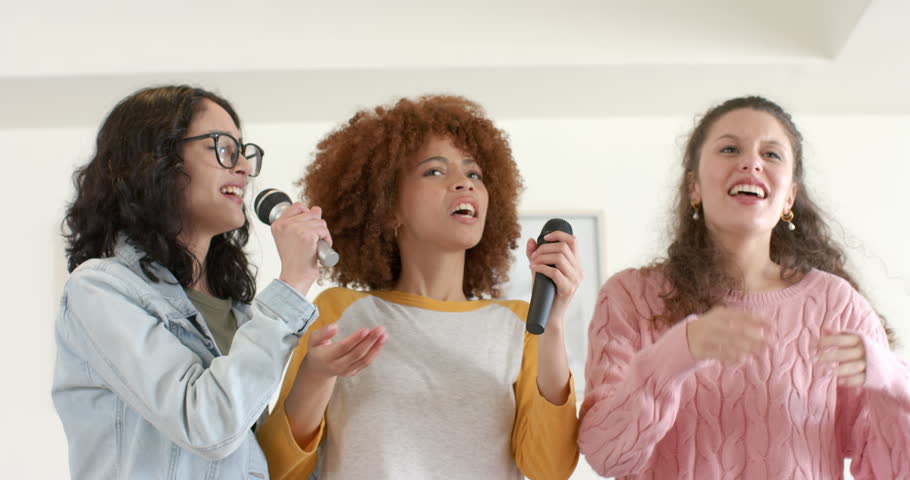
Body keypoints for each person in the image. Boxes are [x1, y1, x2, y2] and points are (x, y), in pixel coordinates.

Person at [578, 95, 910, 479]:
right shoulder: (631, 297)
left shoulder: (838, 305)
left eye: (771, 154)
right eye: (730, 148)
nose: (751, 162)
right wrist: (677, 353)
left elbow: (894, 471)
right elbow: (607, 457)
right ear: (694, 188)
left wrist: (892, 380)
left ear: (789, 196)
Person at [258, 94, 581, 480]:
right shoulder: (341, 310)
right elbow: (278, 470)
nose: (464, 183)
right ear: (388, 206)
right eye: (435, 171)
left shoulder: (520, 324)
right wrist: (315, 376)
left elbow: (551, 468)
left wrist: (555, 323)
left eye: (474, 174)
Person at [52, 85, 329, 479]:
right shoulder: (100, 289)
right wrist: (293, 283)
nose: (244, 168)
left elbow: (246, 458)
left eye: (243, 152)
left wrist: (316, 378)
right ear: (155, 160)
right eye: (222, 147)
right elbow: (206, 426)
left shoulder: (237, 311)